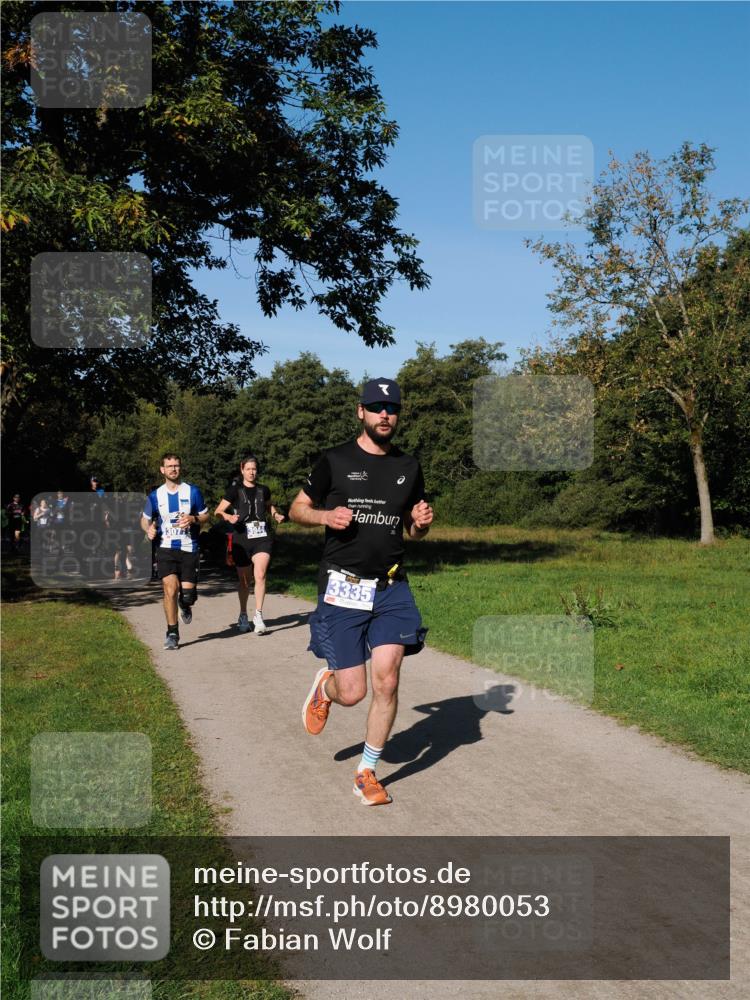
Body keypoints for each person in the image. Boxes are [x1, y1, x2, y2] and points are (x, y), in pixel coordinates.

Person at [289, 378, 433, 806]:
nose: (384, 415)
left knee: (386, 680)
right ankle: (325, 688)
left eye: (391, 409)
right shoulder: (334, 460)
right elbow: (296, 509)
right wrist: (323, 517)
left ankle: (366, 771)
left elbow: (412, 527)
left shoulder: (409, 467)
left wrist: (421, 524)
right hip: (343, 586)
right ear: (361, 412)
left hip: (391, 587)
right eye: (376, 407)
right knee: (354, 692)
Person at [140, 454, 209, 650]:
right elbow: (144, 519)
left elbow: (206, 516)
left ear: (180, 468)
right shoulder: (155, 496)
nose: (173, 469)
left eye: (176, 465)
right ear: (162, 470)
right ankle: (172, 632)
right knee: (169, 589)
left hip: (189, 548)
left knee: (187, 596)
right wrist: (148, 529)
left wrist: (194, 519)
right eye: (169, 466)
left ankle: (185, 604)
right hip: (166, 549)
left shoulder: (193, 491)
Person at [214, 455, 285, 635]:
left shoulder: (264, 490)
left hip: (262, 537)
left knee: (260, 574)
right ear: (242, 469)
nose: (252, 472)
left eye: (254, 469)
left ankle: (259, 615)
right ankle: (243, 614)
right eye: (248, 469)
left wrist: (275, 515)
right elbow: (218, 511)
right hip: (242, 538)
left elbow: (269, 507)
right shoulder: (235, 491)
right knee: (244, 581)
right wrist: (228, 516)